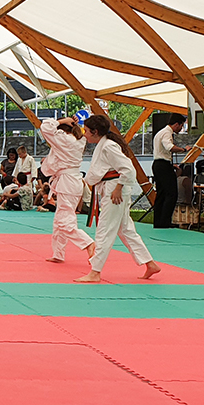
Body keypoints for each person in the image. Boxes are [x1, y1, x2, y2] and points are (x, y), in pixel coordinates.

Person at [78, 115, 159, 283]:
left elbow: (128, 168)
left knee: (105, 230)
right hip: (112, 188)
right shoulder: (105, 144)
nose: (85, 134)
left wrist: (118, 188)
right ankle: (149, 263)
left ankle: (95, 271)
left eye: (86, 131)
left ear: (95, 132)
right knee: (125, 230)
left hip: (114, 191)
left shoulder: (108, 146)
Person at [152, 113, 187, 229]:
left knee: (161, 193)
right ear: (177, 124)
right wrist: (183, 149)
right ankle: (165, 221)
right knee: (171, 193)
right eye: (181, 126)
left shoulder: (160, 132)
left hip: (159, 164)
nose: (181, 129)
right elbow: (169, 147)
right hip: (163, 165)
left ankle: (158, 221)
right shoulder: (167, 133)